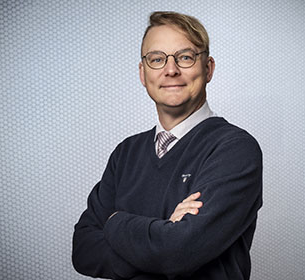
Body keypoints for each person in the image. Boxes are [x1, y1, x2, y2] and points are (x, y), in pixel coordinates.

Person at [72, 11, 263, 280]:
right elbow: (83, 250)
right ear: (143, 73)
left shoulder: (234, 149)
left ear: (207, 68)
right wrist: (163, 233)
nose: (170, 70)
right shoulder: (125, 154)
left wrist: (115, 222)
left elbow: (178, 252)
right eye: (157, 59)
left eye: (185, 57)